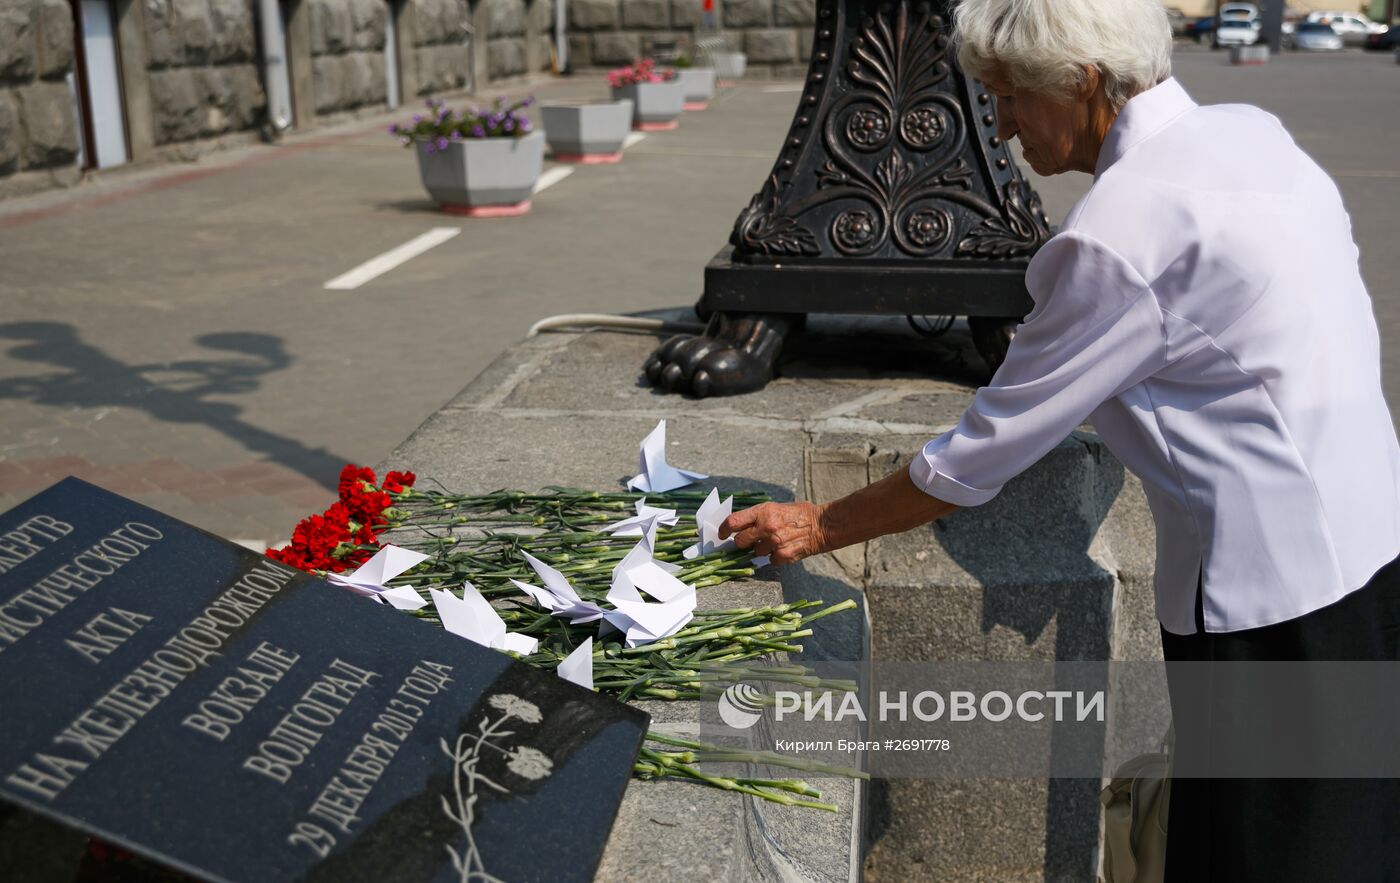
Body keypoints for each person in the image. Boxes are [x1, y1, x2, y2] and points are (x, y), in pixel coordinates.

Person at [718, 0, 1400, 879]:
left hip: (1270, 605)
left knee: (1268, 850)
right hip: (1372, 546)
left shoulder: (1120, 233)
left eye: (1008, 93)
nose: (999, 126)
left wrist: (818, 525)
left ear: (1082, 82)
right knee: (1356, 834)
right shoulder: (1251, 132)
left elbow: (975, 455)